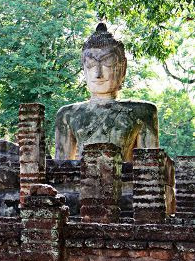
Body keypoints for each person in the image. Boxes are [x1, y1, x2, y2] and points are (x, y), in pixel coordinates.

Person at [54, 23, 159, 161]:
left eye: (107, 63)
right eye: (91, 64)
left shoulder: (143, 112)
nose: (98, 74)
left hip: (126, 182)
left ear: (123, 67)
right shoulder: (67, 114)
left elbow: (150, 168)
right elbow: (62, 168)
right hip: (81, 182)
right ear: (84, 69)